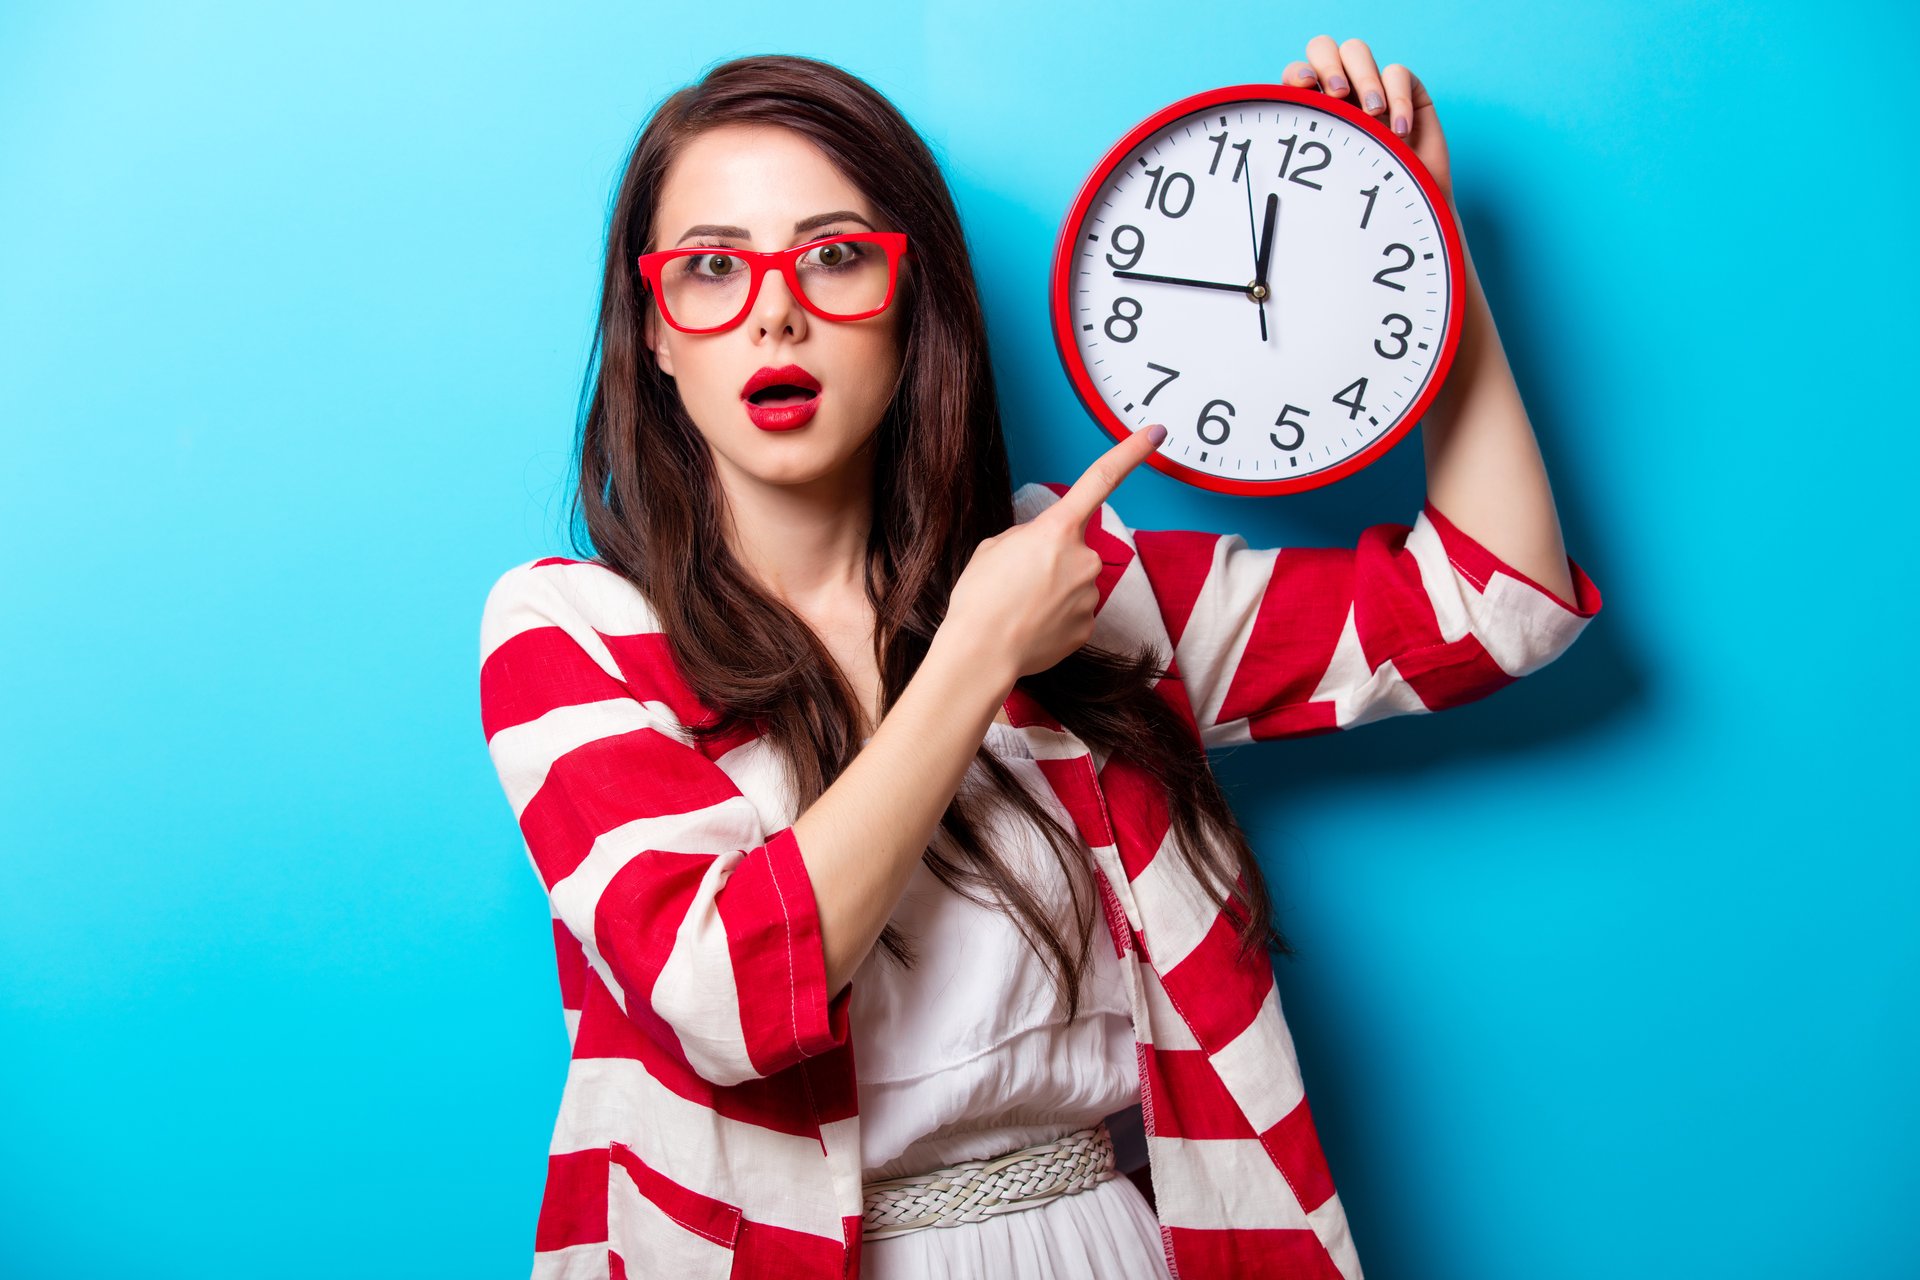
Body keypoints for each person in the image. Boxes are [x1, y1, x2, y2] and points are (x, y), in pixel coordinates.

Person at [478, 38, 1602, 1280]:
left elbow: (1499, 602)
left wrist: (1420, 236)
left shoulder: (1077, 581)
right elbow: (725, 993)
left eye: (837, 253)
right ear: (655, 333)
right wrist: (978, 649)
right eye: (709, 268)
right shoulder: (576, 635)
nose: (777, 309)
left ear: (915, 307)